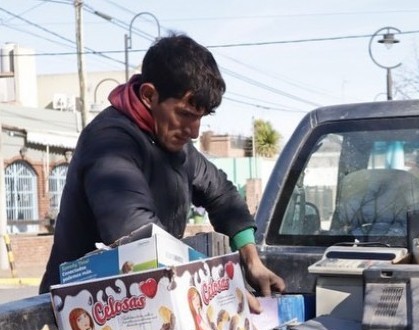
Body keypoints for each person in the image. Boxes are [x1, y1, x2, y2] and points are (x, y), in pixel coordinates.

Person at [39, 33, 285, 309]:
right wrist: (219, 286)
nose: (194, 131)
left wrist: (251, 262)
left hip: (142, 305)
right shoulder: (109, 141)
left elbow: (223, 195)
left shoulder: (175, 145)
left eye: (200, 118)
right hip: (78, 311)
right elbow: (138, 236)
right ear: (149, 95)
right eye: (185, 114)